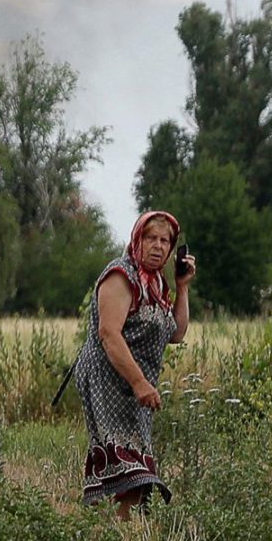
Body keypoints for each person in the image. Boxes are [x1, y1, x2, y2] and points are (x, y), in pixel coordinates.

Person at [74, 210, 195, 520]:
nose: (158, 246)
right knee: (125, 463)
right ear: (137, 239)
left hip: (137, 386)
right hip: (108, 380)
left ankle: (119, 538)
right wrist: (139, 382)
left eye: (165, 240)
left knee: (136, 467)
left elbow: (177, 332)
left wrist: (182, 287)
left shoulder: (156, 284)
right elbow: (109, 334)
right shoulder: (121, 275)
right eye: (150, 238)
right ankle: (113, 540)